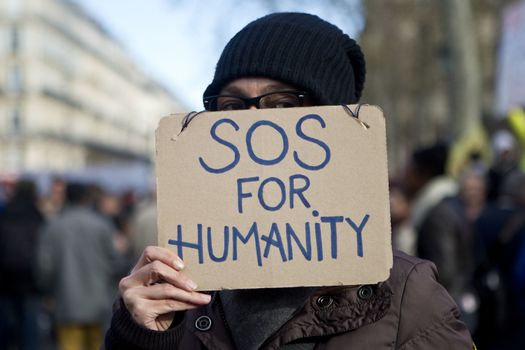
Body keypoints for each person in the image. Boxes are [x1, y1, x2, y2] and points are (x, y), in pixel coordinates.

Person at [104, 13, 473, 349]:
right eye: (232, 107)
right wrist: (139, 338)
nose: (253, 125)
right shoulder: (179, 295)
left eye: (282, 105)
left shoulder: (407, 295)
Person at [37, 183, 129, 350]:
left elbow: (45, 265)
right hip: (99, 300)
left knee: (69, 345)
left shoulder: (54, 226)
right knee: (99, 344)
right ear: (86, 198)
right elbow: (116, 260)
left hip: (66, 300)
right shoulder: (101, 224)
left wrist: (46, 289)